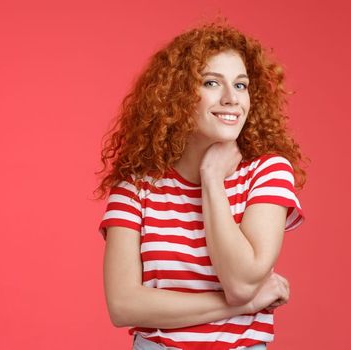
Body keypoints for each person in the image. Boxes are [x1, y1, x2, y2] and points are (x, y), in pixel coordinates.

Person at [97, 19, 307, 350]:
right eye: (211, 83)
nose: (231, 99)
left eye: (240, 85)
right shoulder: (135, 188)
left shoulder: (268, 172)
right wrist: (242, 306)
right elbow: (123, 306)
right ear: (176, 95)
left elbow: (240, 281)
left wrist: (211, 180)